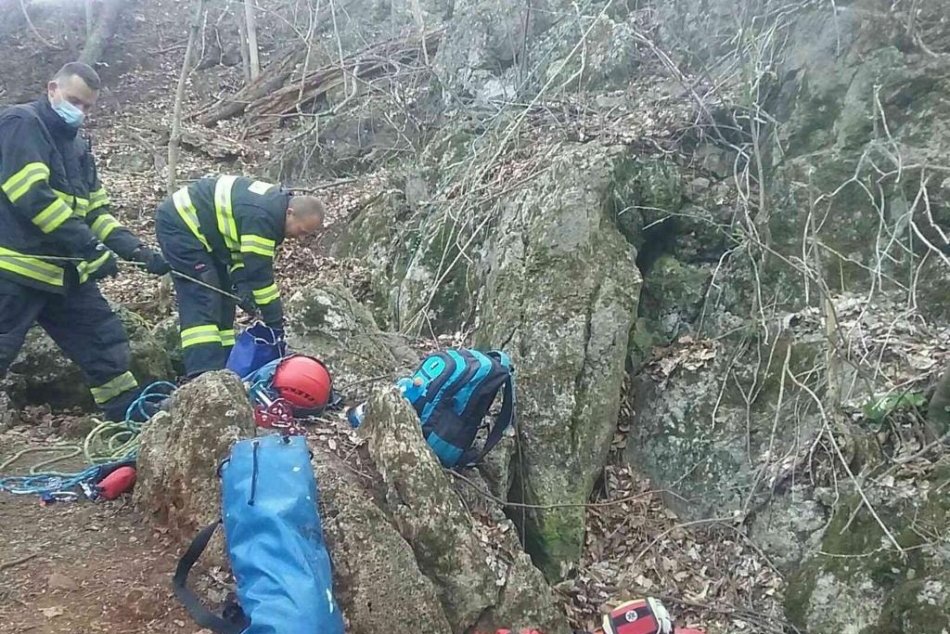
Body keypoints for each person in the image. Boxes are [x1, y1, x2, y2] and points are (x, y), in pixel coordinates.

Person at [0, 62, 169, 421]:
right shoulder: (21, 124)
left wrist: (135, 250)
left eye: (87, 106)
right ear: (51, 89)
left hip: (65, 273)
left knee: (102, 339)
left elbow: (95, 211)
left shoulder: (77, 144)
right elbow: (31, 196)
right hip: (15, 268)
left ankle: (127, 414)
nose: (79, 111)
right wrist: (89, 247)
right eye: (73, 100)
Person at [155, 175, 324, 378]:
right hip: (180, 226)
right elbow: (261, 277)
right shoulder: (264, 218)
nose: (301, 238)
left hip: (210, 237)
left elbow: (238, 251)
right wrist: (275, 322)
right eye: (302, 230)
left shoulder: (271, 209)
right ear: (290, 213)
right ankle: (202, 374)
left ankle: (227, 368)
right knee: (204, 296)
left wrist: (241, 284)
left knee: (225, 299)